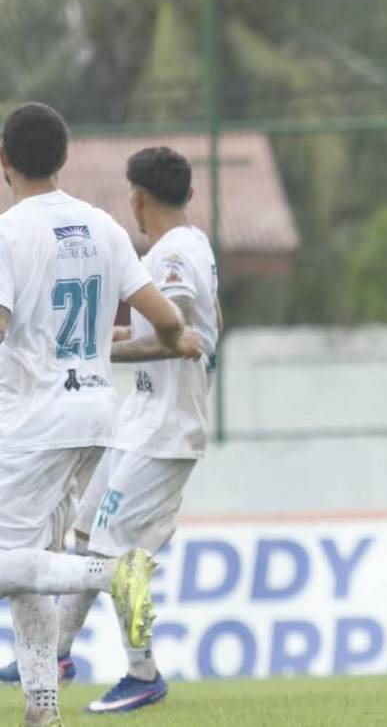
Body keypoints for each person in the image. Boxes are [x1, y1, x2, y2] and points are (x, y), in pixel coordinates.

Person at [0, 104, 202, 726]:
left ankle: (115, 572)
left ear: (4, 162)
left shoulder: (8, 234)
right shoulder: (103, 227)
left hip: (31, 425)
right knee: (35, 565)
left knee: (10, 567)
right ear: (62, 158)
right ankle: (42, 711)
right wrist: (177, 340)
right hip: (95, 419)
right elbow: (168, 319)